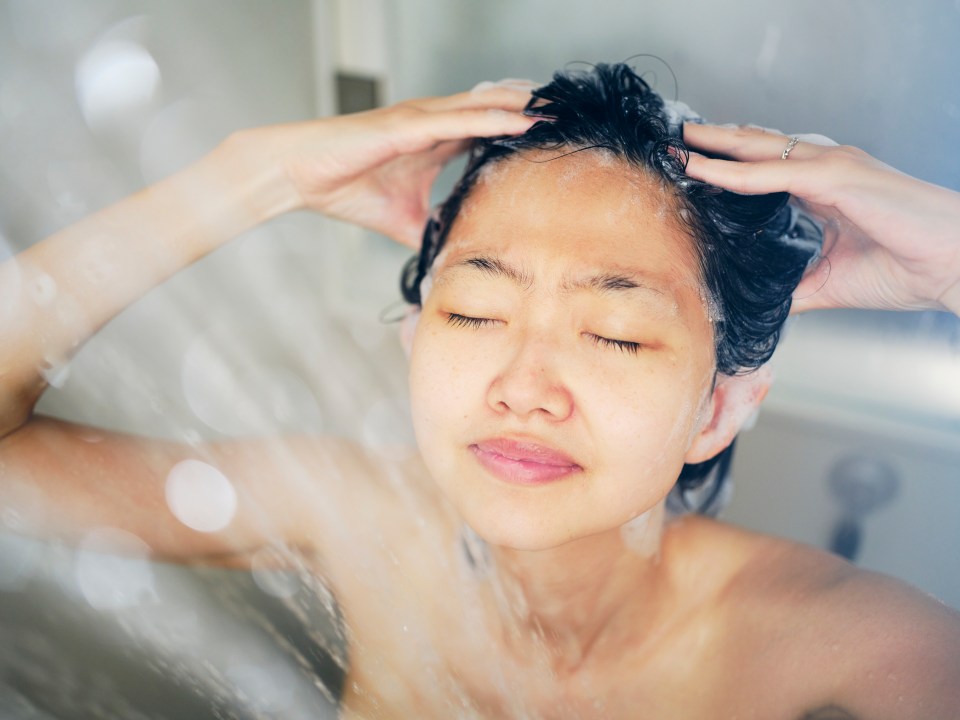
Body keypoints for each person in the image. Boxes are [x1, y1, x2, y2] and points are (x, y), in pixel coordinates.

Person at [1, 62, 958, 719]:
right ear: (416, 341)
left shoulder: (866, 654)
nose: (523, 388)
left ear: (718, 408)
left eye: (615, 332)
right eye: (473, 315)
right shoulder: (357, 521)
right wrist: (256, 174)